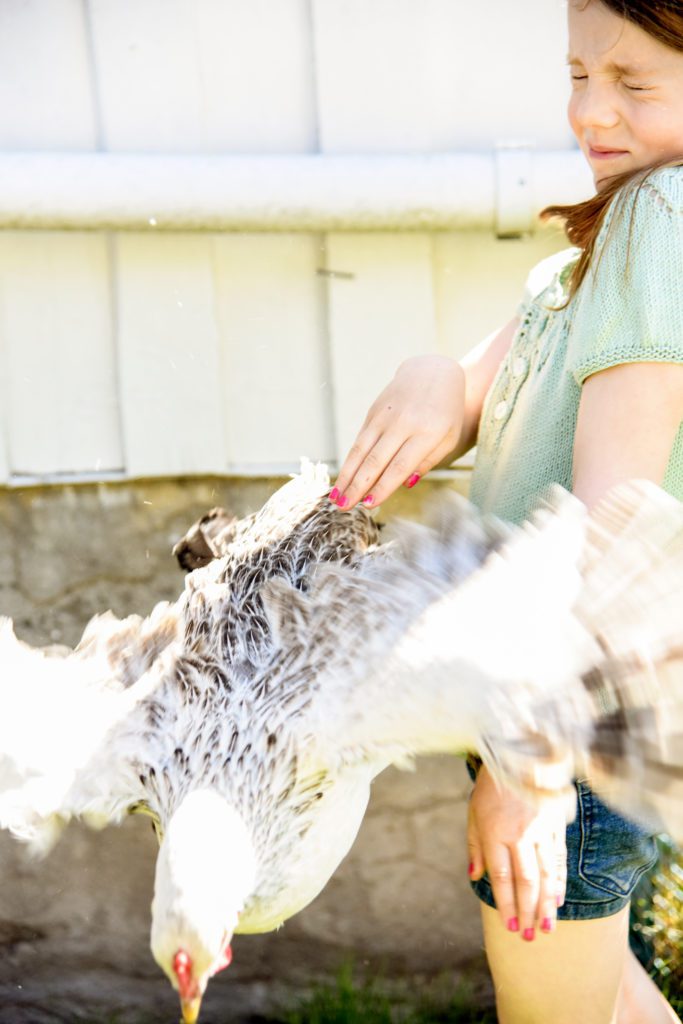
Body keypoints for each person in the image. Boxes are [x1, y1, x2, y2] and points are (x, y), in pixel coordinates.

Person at [329, 2, 683, 1022]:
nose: (589, 112)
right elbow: (487, 384)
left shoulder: (659, 218)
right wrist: (433, 373)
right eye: (576, 73)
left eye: (632, 82)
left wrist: (530, 766)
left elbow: (613, 514)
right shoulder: (621, 230)